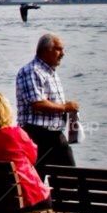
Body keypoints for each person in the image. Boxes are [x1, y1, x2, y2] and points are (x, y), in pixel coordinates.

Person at [15, 33, 79, 173]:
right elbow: (37, 104)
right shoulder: (32, 71)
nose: (63, 53)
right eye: (59, 49)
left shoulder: (50, 72)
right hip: (36, 135)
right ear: (46, 50)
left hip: (55, 135)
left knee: (70, 179)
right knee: (36, 179)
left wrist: (65, 107)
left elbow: (48, 101)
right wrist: (64, 107)